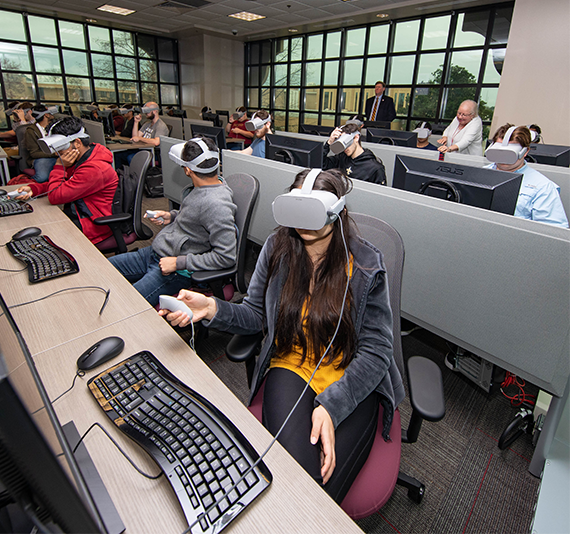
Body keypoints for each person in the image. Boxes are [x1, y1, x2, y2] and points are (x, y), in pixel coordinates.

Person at [161, 169, 404, 502]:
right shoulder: (278, 248)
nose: (301, 222)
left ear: (336, 212)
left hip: (351, 375)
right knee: (298, 480)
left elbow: (377, 351)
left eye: (311, 212)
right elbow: (255, 316)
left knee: (323, 491)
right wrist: (213, 308)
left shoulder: (364, 264)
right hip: (291, 363)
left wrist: (332, 406)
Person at [108, 137, 237, 306]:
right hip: (155, 253)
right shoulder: (207, 185)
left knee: (125, 304)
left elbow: (226, 257)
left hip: (175, 271)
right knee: (103, 268)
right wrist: (173, 216)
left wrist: (178, 263)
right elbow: (197, 217)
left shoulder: (216, 204)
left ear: (187, 170)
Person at [14, 117, 120, 249]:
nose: (59, 153)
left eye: (61, 147)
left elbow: (55, 196)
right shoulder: (83, 159)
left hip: (94, 225)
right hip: (80, 214)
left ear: (77, 143)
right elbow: (65, 185)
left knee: (42, 238)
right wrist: (35, 189)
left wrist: (59, 166)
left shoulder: (94, 168)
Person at [486, 124, 568, 227]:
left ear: (525, 152)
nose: (503, 158)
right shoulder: (480, 174)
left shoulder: (543, 187)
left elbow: (555, 231)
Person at [322, 121, 387, 185]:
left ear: (356, 138)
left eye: (346, 143)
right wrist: (329, 143)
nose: (345, 148)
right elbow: (322, 164)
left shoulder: (375, 168)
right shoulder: (341, 158)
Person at [23, 105, 58, 182]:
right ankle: (28, 188)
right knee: (42, 177)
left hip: (58, 155)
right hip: (41, 158)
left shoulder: (55, 126)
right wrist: (54, 154)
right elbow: (34, 154)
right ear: (46, 115)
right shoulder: (31, 131)